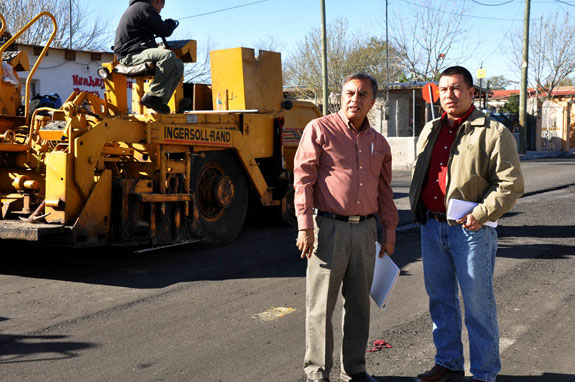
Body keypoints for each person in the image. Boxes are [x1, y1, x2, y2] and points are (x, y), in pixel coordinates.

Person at [409, 66, 524, 382]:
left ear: (472, 92)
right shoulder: (431, 129)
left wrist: (481, 213)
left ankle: (485, 372)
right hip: (432, 228)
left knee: (478, 305)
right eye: (444, 89)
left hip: (472, 230)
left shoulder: (493, 132)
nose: (449, 95)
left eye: (457, 88)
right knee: (440, 301)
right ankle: (448, 362)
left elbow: (510, 183)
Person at [294, 72, 398, 382]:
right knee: (321, 307)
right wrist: (304, 227)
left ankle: (354, 369)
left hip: (365, 231)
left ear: (373, 102)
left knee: (359, 306)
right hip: (328, 228)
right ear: (341, 96)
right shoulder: (320, 129)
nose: (355, 99)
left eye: (362, 94)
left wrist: (389, 233)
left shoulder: (379, 143)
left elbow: (385, 191)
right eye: (349, 93)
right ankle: (317, 372)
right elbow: (303, 180)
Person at [114, 0, 183, 114]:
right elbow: (164, 30)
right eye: (161, 8)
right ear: (157, 1)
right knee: (168, 55)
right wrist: (171, 23)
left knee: (178, 65)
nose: (160, 11)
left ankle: (159, 102)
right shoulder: (144, 7)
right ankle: (153, 95)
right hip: (129, 54)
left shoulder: (138, 8)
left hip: (138, 51)